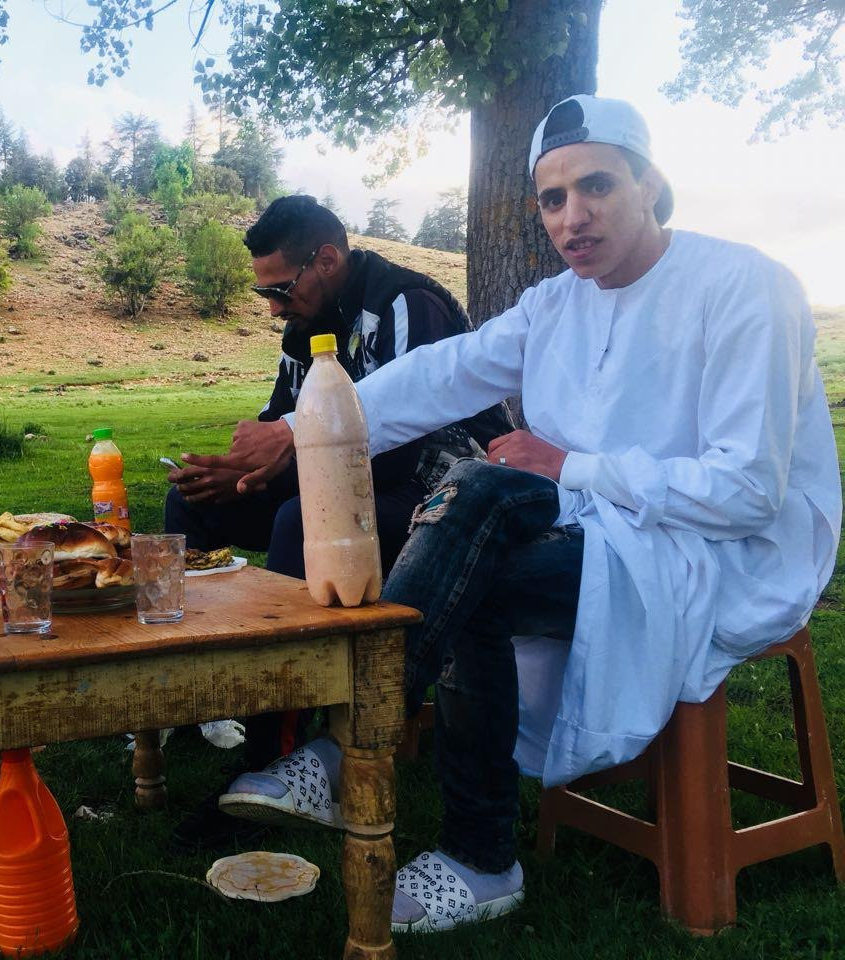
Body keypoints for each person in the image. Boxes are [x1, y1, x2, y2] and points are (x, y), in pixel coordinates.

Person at [205, 95, 841, 933]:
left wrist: (570, 464)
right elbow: (440, 374)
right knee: (480, 497)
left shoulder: (745, 287)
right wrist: (299, 428)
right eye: (552, 198)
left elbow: (748, 491)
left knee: (477, 538)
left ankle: (373, 756)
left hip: (722, 554)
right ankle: (442, 822)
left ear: (650, 185)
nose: (573, 217)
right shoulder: (556, 304)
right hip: (596, 533)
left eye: (597, 186)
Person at [164, 195, 513, 848]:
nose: (274, 307)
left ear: (326, 259)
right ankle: (193, 697)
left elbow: (404, 446)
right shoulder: (305, 325)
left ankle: (274, 761)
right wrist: (238, 470)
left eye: (280, 289)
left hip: (438, 491)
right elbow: (283, 424)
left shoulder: (408, 304)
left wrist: (287, 457)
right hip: (350, 480)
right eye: (264, 293)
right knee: (194, 504)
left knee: (303, 524)